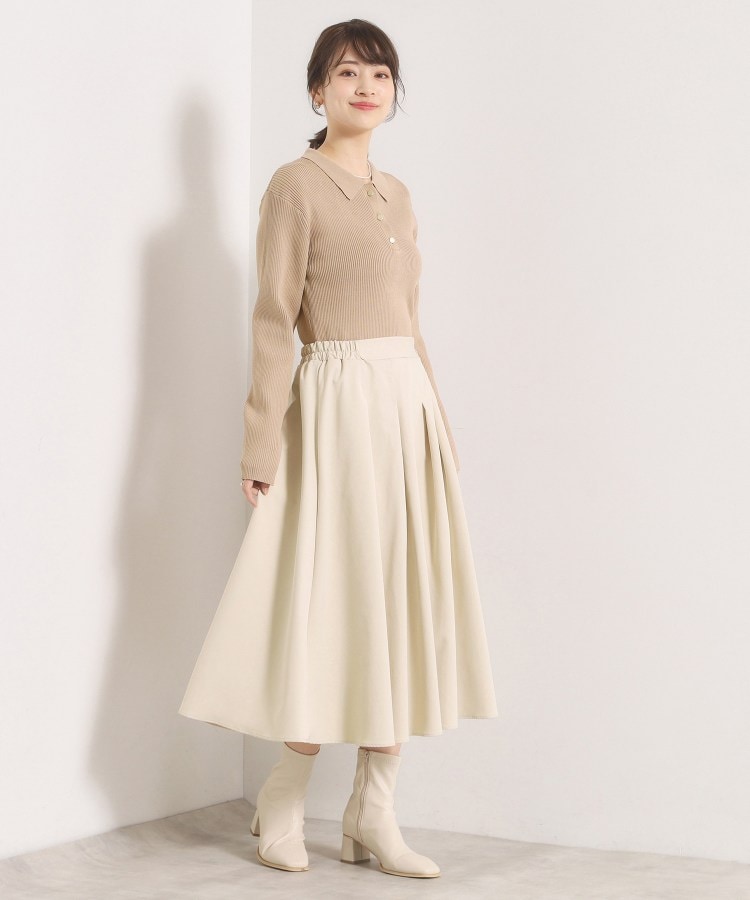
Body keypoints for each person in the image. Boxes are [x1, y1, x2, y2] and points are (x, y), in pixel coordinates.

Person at [178, 18, 498, 880]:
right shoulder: (295, 186)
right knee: (330, 604)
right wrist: (260, 441)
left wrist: (438, 425)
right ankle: (284, 795)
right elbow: (273, 321)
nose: (366, 86)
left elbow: (410, 322)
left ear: (394, 93)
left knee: (398, 603)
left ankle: (374, 811)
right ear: (317, 91)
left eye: (380, 74)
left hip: (404, 411)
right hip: (333, 410)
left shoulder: (398, 194)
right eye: (348, 72)